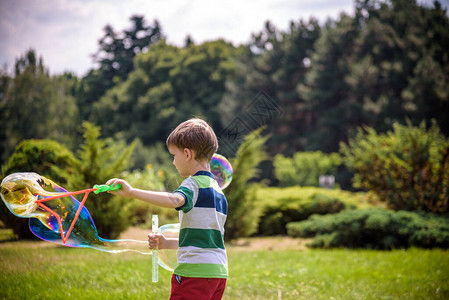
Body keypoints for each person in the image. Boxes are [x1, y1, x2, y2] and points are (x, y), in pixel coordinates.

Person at [106, 118, 228, 300]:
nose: (173, 162)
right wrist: (167, 243)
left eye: (173, 155)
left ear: (187, 154)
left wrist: (132, 192)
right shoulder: (218, 191)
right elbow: (202, 240)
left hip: (194, 272)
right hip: (217, 273)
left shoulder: (193, 184)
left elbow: (175, 200)